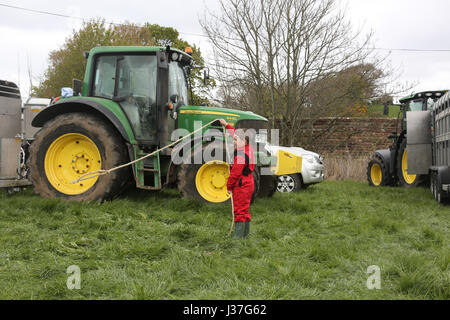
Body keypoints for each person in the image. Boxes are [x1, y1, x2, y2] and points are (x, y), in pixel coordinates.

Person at [219, 119, 255, 238]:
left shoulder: (240, 156)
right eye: (234, 139)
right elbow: (235, 133)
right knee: (245, 209)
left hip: (241, 185)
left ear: (244, 141)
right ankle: (245, 235)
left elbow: (234, 174)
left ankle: (238, 237)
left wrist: (229, 186)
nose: (234, 142)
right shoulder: (248, 148)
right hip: (248, 182)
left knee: (239, 210)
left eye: (236, 140)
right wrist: (226, 125)